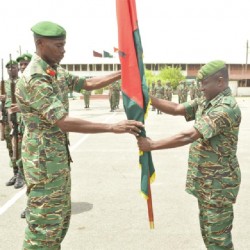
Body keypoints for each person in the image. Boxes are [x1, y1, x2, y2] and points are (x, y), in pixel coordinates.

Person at [15, 21, 143, 249]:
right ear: (40, 43)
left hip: (55, 160)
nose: (63, 50)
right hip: (43, 163)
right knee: (43, 225)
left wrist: (125, 72)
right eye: (58, 45)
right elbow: (63, 121)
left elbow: (88, 83)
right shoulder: (36, 78)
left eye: (64, 45)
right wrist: (112, 127)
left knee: (58, 221)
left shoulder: (53, 70)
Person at [137, 60, 241, 249]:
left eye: (204, 83)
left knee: (219, 240)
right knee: (210, 236)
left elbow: (190, 135)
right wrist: (147, 98)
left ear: (219, 81)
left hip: (219, 186)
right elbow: (177, 109)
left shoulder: (225, 107)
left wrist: (152, 145)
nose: (200, 88)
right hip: (207, 183)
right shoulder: (207, 101)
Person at [2, 60, 24, 189]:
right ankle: (15, 173)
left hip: (18, 119)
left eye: (13, 67)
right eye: (9, 68)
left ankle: (21, 174)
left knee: (19, 147)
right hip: (6, 118)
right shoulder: (3, 84)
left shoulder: (22, 82)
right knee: (11, 148)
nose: (11, 69)